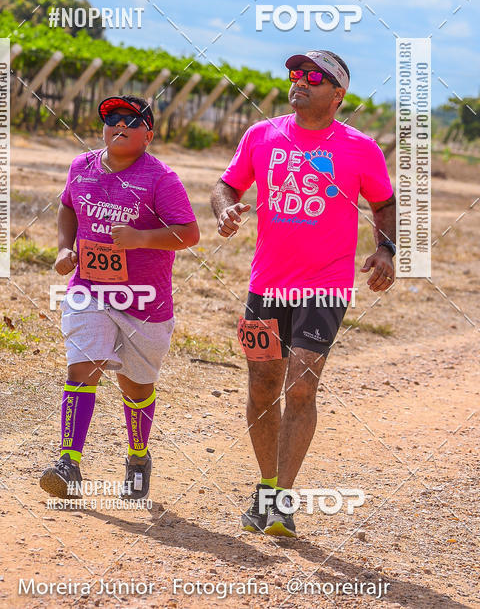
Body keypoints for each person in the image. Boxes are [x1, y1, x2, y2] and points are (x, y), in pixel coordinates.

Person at [211, 50, 396, 537]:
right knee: (262, 386)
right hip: (266, 285)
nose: (300, 82)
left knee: (302, 384)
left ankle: (282, 502)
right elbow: (226, 186)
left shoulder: (361, 148)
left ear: (338, 94)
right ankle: (266, 488)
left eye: (313, 76)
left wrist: (386, 250)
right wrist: (224, 209)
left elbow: (384, 202)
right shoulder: (261, 135)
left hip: (325, 285)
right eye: (295, 74)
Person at [40, 95, 199, 502]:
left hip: (145, 301)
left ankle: (138, 456)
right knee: (82, 367)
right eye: (111, 118)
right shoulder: (82, 166)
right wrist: (64, 248)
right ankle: (68, 462)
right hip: (89, 290)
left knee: (135, 387)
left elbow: (189, 232)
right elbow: (67, 208)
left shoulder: (162, 179)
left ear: (149, 133)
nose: (119, 124)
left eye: (131, 119)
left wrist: (141, 239)